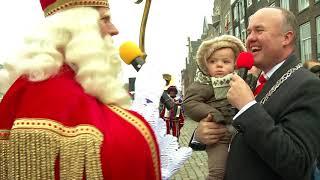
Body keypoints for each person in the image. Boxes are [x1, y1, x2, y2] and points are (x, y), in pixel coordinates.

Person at [0, 0, 161, 179]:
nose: (114, 29)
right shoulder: (122, 126)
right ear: (79, 28)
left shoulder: (16, 96)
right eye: (105, 19)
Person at [194, 7, 320, 180]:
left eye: (259, 30)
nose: (250, 38)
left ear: (286, 37)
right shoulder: (250, 80)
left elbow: (297, 163)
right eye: (249, 32)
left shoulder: (308, 85)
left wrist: (247, 107)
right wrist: (200, 135)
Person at [183, 35, 246, 180]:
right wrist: (213, 114)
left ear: (234, 64)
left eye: (225, 61)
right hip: (220, 137)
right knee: (217, 173)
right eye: (213, 61)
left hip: (241, 136)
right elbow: (190, 103)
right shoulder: (203, 84)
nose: (219, 65)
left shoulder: (239, 81)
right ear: (205, 65)